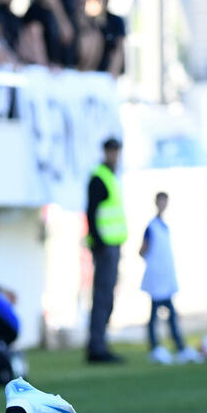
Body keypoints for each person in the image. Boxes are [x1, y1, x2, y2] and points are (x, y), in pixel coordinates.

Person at [139, 192, 200, 364]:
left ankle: (175, 346)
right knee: (158, 315)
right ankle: (159, 346)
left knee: (168, 314)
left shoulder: (163, 226)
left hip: (165, 278)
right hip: (157, 277)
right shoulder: (152, 226)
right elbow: (143, 250)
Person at [85, 137, 126, 363]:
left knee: (107, 296)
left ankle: (100, 342)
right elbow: (91, 212)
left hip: (113, 245)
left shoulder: (110, 177)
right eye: (111, 151)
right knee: (102, 296)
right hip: (105, 247)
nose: (114, 156)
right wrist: (98, 242)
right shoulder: (100, 178)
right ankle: (96, 347)